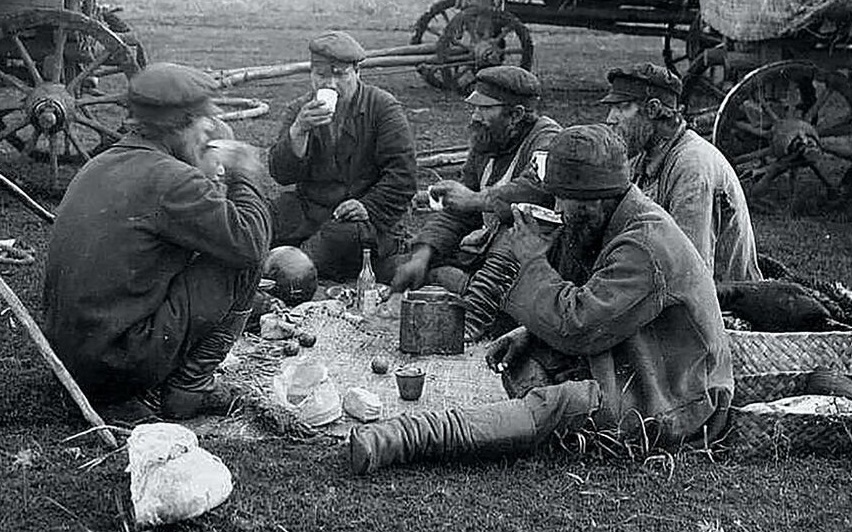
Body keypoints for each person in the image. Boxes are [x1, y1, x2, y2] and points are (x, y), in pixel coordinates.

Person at [349, 124, 733, 475]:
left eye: (568, 201)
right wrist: (528, 333)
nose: (560, 210)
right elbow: (589, 298)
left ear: (599, 200)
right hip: (631, 354)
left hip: (676, 391)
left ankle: (403, 437)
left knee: (559, 405)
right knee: (527, 366)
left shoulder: (645, 244)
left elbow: (577, 327)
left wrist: (531, 260)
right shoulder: (611, 220)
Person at [43, 63, 272, 420]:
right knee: (245, 257)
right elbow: (251, 240)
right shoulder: (171, 180)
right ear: (178, 125)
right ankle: (190, 387)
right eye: (202, 121)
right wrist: (244, 172)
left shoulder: (101, 164)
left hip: (70, 360)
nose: (208, 130)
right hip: (117, 364)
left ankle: (164, 377)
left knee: (224, 242)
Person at [390, 65, 560, 338]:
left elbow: (535, 191)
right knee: (415, 267)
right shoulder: (488, 140)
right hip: (487, 254)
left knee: (516, 228)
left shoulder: (547, 140)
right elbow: (456, 208)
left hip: (534, 258)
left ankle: (479, 312)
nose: (475, 116)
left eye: (484, 108)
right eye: (475, 107)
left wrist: (476, 200)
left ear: (515, 114)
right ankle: (482, 295)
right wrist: (423, 255)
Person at [269, 30, 417, 281]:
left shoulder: (382, 108)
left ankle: (289, 269)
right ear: (311, 74)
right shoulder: (301, 109)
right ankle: (268, 262)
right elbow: (281, 174)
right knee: (267, 214)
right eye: (321, 75)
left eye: (340, 75)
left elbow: (403, 177)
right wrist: (298, 131)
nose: (330, 84)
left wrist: (367, 205)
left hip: (365, 218)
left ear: (357, 72)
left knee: (336, 240)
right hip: (313, 209)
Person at [601, 62, 762, 282]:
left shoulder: (692, 166)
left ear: (653, 109)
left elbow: (691, 272)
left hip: (721, 303)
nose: (611, 118)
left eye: (622, 107)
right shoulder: (643, 156)